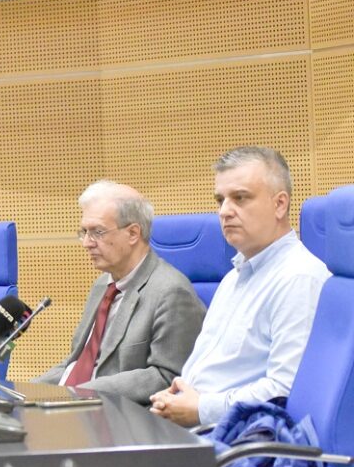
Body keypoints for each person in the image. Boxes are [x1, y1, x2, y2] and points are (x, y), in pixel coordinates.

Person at [151, 147, 330, 426]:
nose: (224, 211)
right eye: (220, 200)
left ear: (279, 205)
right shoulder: (234, 277)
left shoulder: (299, 278)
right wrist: (174, 397)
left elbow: (285, 391)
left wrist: (201, 408)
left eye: (240, 198)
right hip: (194, 427)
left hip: (234, 438)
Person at [36, 181, 205, 404]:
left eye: (97, 232)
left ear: (133, 233)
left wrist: (81, 392)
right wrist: (28, 391)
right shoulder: (103, 285)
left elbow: (167, 376)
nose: (86, 243)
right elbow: (77, 365)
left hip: (122, 415)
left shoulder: (171, 292)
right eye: (84, 232)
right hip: (82, 406)